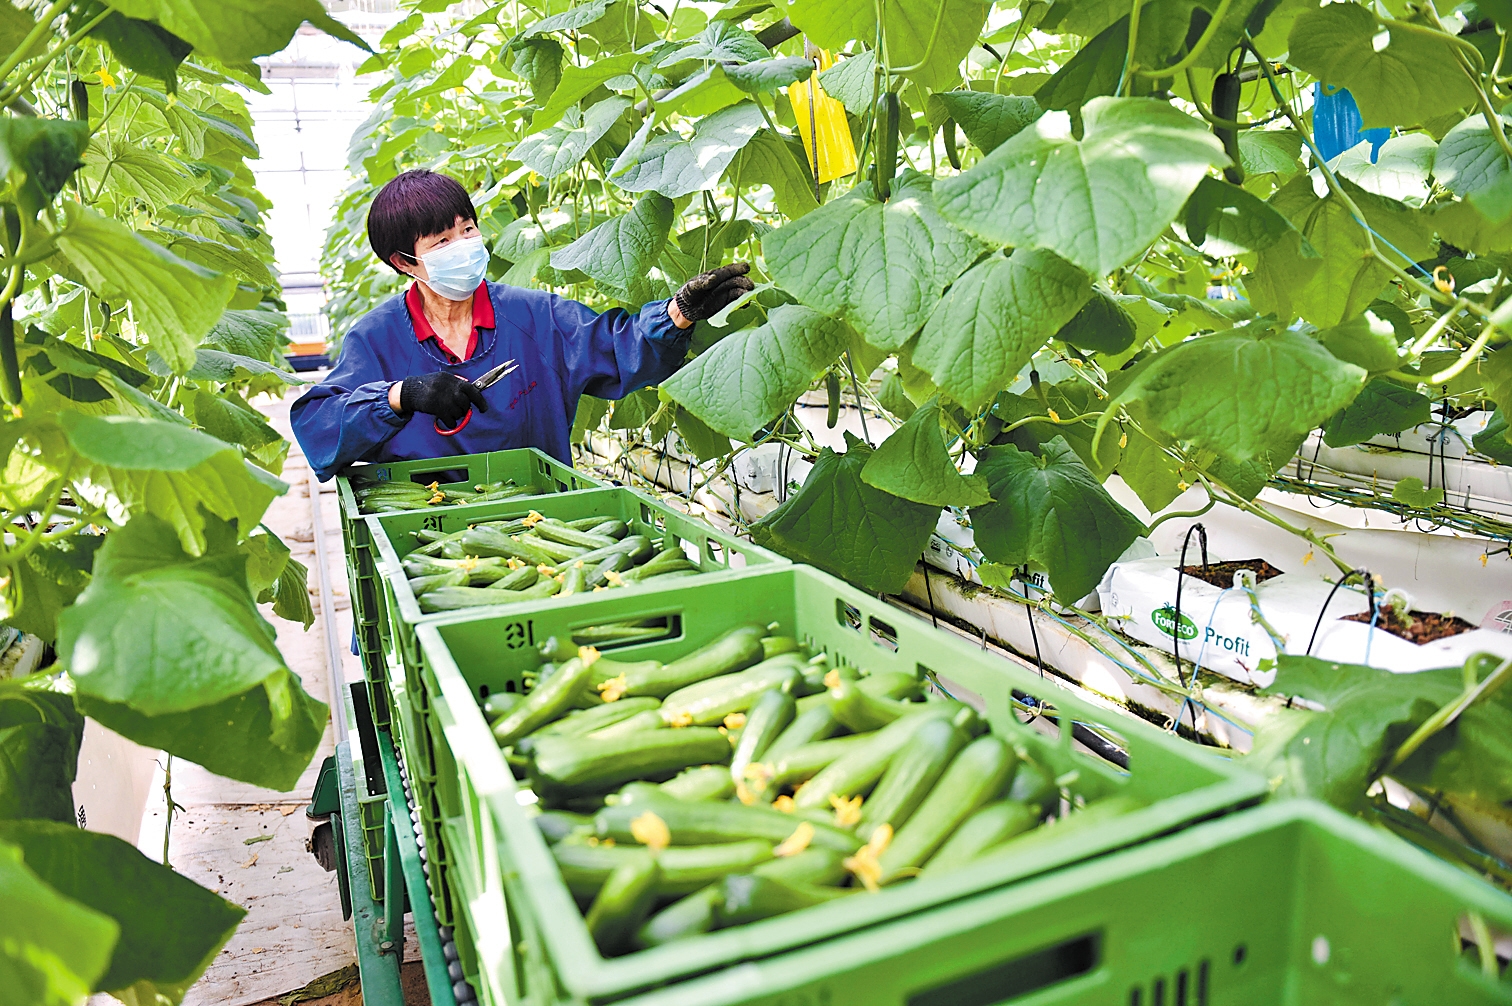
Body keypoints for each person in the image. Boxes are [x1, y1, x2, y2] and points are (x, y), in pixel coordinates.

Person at [291, 169, 753, 479]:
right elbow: (318, 426)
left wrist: (677, 314)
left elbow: (617, 349)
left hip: (538, 516)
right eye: (442, 240)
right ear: (404, 262)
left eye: (467, 229)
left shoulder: (536, 317)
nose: (464, 244)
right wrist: (399, 396)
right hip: (421, 530)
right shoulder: (377, 338)